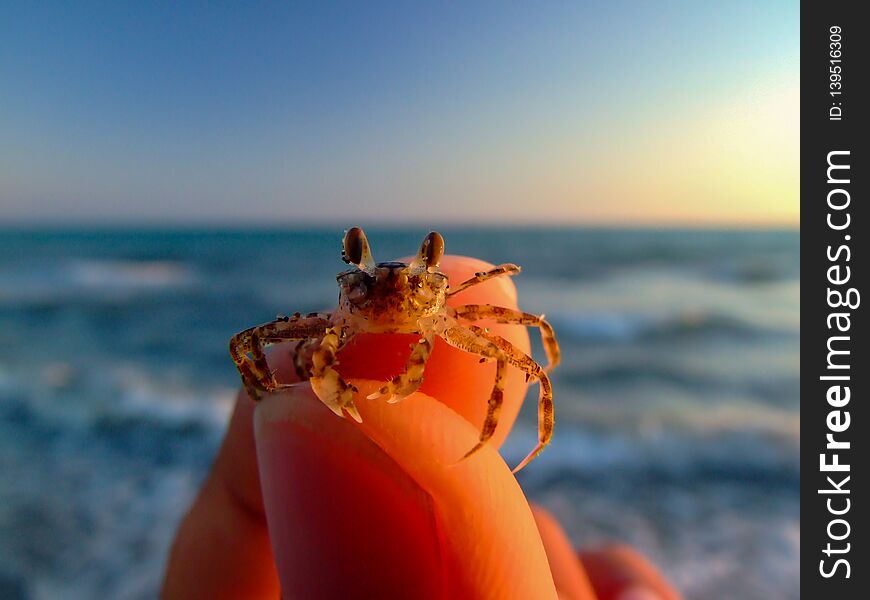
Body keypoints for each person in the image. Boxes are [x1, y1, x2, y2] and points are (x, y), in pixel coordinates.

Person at [161, 256, 681, 600]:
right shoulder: (335, 322)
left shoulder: (450, 310)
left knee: (523, 363)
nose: (390, 294)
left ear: (436, 288)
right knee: (258, 345)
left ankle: (485, 443)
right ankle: (281, 407)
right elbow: (245, 347)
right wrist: (264, 394)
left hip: (425, 327)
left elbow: (531, 342)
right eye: (367, 287)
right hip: (345, 347)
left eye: (411, 286)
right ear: (349, 286)